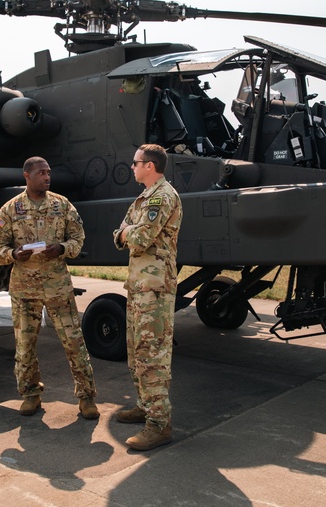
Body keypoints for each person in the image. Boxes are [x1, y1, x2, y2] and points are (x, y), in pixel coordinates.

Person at [0, 156, 99, 420]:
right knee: (25, 346)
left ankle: (86, 397)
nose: (47, 177)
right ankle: (30, 395)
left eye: (49, 173)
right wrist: (14, 254)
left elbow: (78, 238)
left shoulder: (62, 205)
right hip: (24, 290)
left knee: (74, 343)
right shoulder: (10, 209)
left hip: (58, 287)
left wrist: (62, 248)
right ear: (27, 176)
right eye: (41, 173)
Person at [113, 144, 182, 451]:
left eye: (136, 162)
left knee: (152, 355)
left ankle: (159, 424)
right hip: (140, 285)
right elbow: (122, 232)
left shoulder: (163, 196)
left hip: (155, 287)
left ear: (150, 166)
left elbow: (139, 236)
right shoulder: (144, 196)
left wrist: (129, 232)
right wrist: (127, 232)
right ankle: (144, 405)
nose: (132, 167)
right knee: (137, 351)